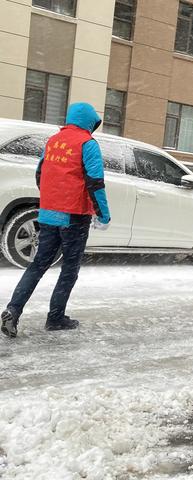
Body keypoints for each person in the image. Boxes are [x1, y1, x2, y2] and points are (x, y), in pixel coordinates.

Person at [1, 102, 110, 337]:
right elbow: (95, 182)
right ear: (90, 122)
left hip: (49, 213)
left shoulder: (53, 141)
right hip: (74, 216)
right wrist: (103, 214)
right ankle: (55, 317)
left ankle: (13, 309)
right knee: (69, 269)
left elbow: (40, 173)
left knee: (38, 264)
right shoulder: (88, 144)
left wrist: (52, 199)